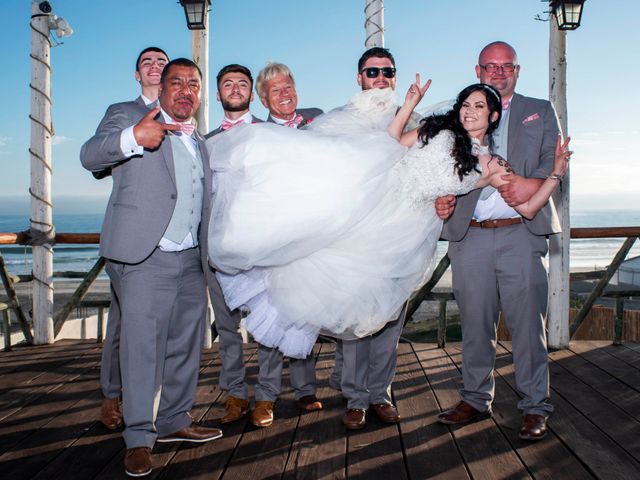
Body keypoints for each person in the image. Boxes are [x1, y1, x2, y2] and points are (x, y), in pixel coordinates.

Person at [206, 79, 570, 429]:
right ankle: (355, 397)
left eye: (479, 106)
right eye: (465, 104)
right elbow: (392, 142)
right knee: (316, 244)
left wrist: (554, 174)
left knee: (373, 309)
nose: (469, 111)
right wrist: (409, 103)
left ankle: (374, 394)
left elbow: (527, 207)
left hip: (407, 233)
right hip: (379, 204)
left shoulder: (491, 165)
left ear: (494, 116)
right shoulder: (435, 131)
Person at [81, 58, 223, 478]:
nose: (185, 90)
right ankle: (138, 437)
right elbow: (90, 155)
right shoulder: (128, 116)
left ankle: (175, 421)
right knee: (142, 349)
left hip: (191, 258)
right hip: (146, 257)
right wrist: (132, 138)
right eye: (176, 82)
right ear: (160, 88)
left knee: (185, 346)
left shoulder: (199, 140)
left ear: (199, 95)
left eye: (193, 84)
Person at [435, 41, 563, 441]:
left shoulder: (540, 110)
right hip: (469, 235)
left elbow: (551, 159)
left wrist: (529, 183)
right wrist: (439, 198)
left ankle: (534, 406)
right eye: (491, 66)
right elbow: (436, 166)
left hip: (521, 234)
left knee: (528, 328)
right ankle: (474, 398)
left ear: (517, 70)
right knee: (474, 325)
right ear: (478, 71)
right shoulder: (461, 114)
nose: (498, 72)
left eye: (506, 66)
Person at [98, 46, 169, 432]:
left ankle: (157, 400)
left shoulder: (183, 113)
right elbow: (94, 156)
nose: (155, 66)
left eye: (161, 62)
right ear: (137, 75)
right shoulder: (121, 112)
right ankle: (112, 394)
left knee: (164, 328)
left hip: (174, 245)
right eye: (147, 63)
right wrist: (133, 136)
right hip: (132, 242)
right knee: (124, 324)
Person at [256, 62, 323, 128]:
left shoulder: (317, 115)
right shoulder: (264, 134)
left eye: (288, 87)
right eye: (275, 90)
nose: (284, 93)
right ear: (264, 101)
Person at [205, 64, 263, 138]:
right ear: (218, 96)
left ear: (252, 96)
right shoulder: (205, 142)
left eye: (242, 85)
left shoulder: (270, 131)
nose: (235, 89)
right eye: (228, 85)